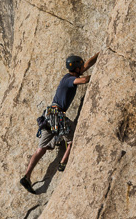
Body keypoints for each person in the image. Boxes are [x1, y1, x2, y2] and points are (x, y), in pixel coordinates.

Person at [20, 52, 98, 193]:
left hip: (49, 115)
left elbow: (86, 65)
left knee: (41, 148)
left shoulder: (69, 76)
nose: (82, 68)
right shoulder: (69, 79)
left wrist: (98, 56)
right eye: (80, 67)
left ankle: (27, 175)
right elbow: (85, 80)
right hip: (57, 116)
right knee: (73, 139)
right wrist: (101, 72)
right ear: (77, 69)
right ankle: (63, 163)